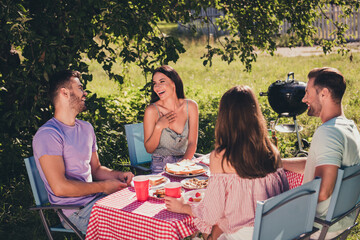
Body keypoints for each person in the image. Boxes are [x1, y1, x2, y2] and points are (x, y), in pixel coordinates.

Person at [165, 86, 289, 240]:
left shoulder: (221, 157)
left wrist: (183, 206)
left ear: (224, 117)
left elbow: (211, 214)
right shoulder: (271, 150)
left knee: (208, 228)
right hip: (273, 231)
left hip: (243, 235)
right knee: (216, 227)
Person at [32, 70, 134, 233]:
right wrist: (103, 187)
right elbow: (60, 187)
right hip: (77, 211)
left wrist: (118, 175)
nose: (85, 92)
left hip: (98, 200)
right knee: (134, 226)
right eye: (80, 88)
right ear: (64, 93)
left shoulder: (86, 128)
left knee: (143, 208)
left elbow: (96, 169)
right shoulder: (48, 135)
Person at [282, 67, 360, 239]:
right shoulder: (349, 127)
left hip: (317, 226)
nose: (304, 99)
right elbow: (318, 163)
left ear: (324, 93)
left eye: (308, 92)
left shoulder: (329, 133)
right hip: (340, 220)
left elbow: (323, 191)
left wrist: (284, 206)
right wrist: (278, 162)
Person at [143, 65, 199, 173]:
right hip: (161, 165)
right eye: (154, 84)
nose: (157, 87)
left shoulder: (191, 106)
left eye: (162, 81)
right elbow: (149, 149)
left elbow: (192, 144)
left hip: (186, 161)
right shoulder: (152, 111)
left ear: (173, 83)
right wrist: (158, 127)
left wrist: (182, 165)